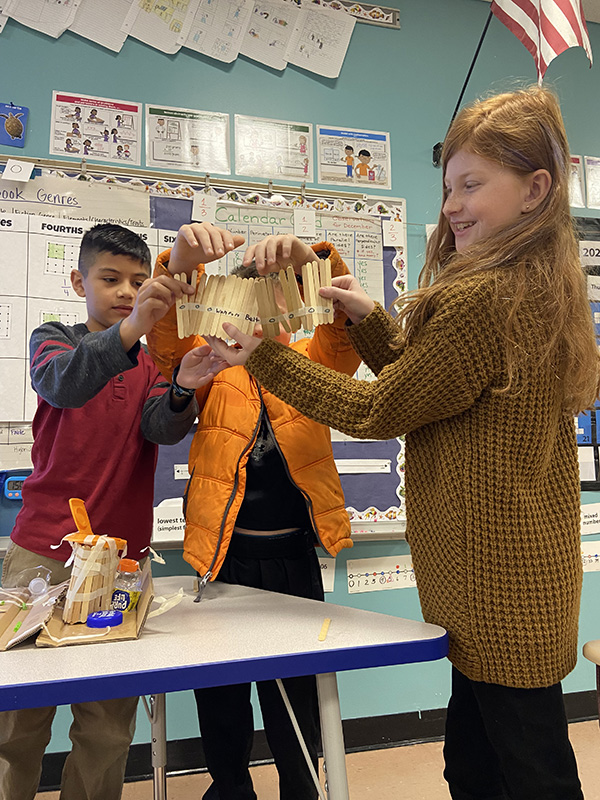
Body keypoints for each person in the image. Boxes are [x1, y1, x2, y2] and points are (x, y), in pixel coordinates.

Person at [207, 87, 600, 799]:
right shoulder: (534, 283)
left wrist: (262, 355)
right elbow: (439, 392)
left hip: (497, 585)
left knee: (526, 770)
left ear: (535, 189)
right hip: (512, 579)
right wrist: (367, 321)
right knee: (484, 763)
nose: (451, 204)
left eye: (472, 184)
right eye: (448, 185)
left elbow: (384, 409)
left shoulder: (482, 296)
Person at [0, 223, 224, 800]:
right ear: (79, 281)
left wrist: (181, 390)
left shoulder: (150, 363)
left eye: (136, 280)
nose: (126, 290)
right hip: (42, 555)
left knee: (107, 724)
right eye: (110, 279)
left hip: (121, 561)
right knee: (17, 721)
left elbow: (159, 426)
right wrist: (131, 329)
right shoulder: (54, 340)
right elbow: (63, 385)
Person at [146, 223, 361, 800]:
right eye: (246, 306)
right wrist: (176, 264)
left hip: (291, 553)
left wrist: (310, 257)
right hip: (223, 553)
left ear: (289, 311)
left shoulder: (311, 361)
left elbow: (347, 333)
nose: (256, 322)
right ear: (223, 310)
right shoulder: (208, 363)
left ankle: (301, 783)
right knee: (220, 692)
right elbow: (164, 339)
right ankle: (230, 786)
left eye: (276, 303)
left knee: (296, 692)